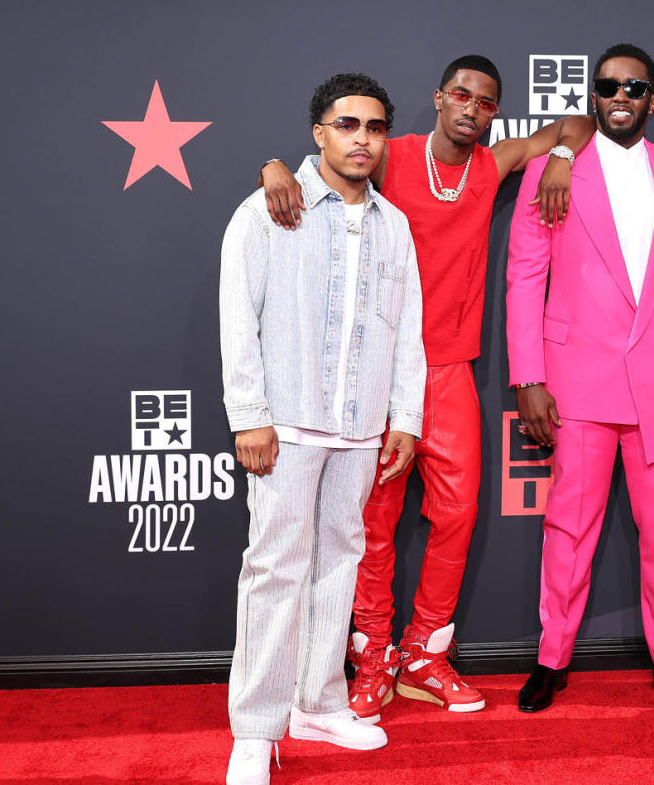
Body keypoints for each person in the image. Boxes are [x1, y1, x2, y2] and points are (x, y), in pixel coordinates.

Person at [261, 56, 592, 718]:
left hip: (451, 372)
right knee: (373, 520)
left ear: (494, 113)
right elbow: (324, 164)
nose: (472, 107)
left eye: (487, 101)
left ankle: (423, 653)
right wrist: (275, 168)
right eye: (462, 94)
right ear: (439, 98)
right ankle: (373, 652)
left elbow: (578, 124)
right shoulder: (392, 156)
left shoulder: (493, 165)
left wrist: (558, 158)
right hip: (378, 371)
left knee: (458, 515)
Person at [219, 73, 425, 785]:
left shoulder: (395, 225)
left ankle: (319, 701)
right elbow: (237, 317)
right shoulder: (269, 209)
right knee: (275, 570)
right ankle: (254, 730)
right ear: (319, 132)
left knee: (341, 562)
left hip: (362, 427)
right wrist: (249, 416)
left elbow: (407, 333)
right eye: (347, 124)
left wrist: (405, 416)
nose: (361, 138)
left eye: (373, 126)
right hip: (288, 425)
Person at [507, 43, 654, 713]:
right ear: (593, 97)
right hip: (575, 382)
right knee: (569, 525)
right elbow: (523, 278)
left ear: (652, 98)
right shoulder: (550, 170)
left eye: (635, 86)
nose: (620, 96)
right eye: (608, 86)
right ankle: (552, 657)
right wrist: (527, 376)